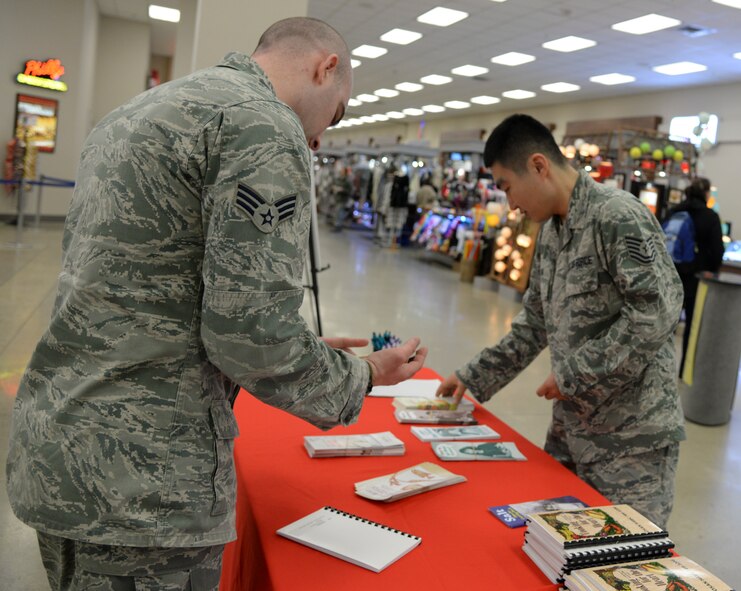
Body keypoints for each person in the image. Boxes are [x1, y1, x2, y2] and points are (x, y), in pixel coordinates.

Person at [6, 17, 428, 591]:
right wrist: (365, 375)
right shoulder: (265, 126)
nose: (322, 137)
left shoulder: (137, 112)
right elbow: (250, 337)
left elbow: (144, 286)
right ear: (326, 67)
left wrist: (302, 343)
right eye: (338, 112)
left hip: (61, 446)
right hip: (149, 483)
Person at [437, 114, 685, 528]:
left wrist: (574, 373)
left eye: (507, 187)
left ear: (539, 166)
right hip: (572, 429)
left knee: (621, 557)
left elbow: (657, 311)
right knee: (554, 549)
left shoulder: (618, 216)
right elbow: (535, 322)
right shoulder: (552, 231)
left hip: (631, 441)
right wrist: (474, 376)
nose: (511, 203)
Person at [663, 178, 724, 376]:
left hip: (669, 277)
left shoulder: (674, 211)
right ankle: (685, 373)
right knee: (692, 327)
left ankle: (660, 371)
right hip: (696, 281)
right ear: (706, 193)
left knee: (665, 326)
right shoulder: (710, 217)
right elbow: (717, 253)